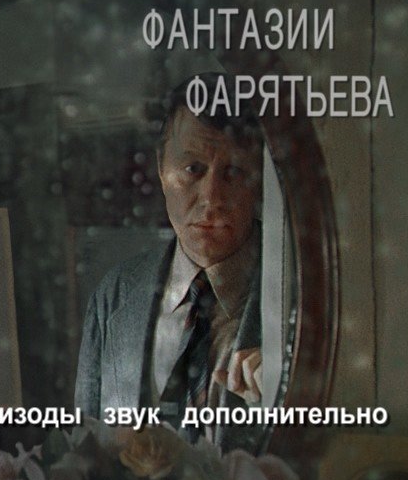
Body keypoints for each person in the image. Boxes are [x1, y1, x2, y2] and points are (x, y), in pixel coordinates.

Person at [75, 73, 265, 451]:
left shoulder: (298, 292)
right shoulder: (114, 295)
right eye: (193, 169)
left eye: (233, 172)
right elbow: (84, 449)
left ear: (258, 179)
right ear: (162, 170)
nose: (211, 198)